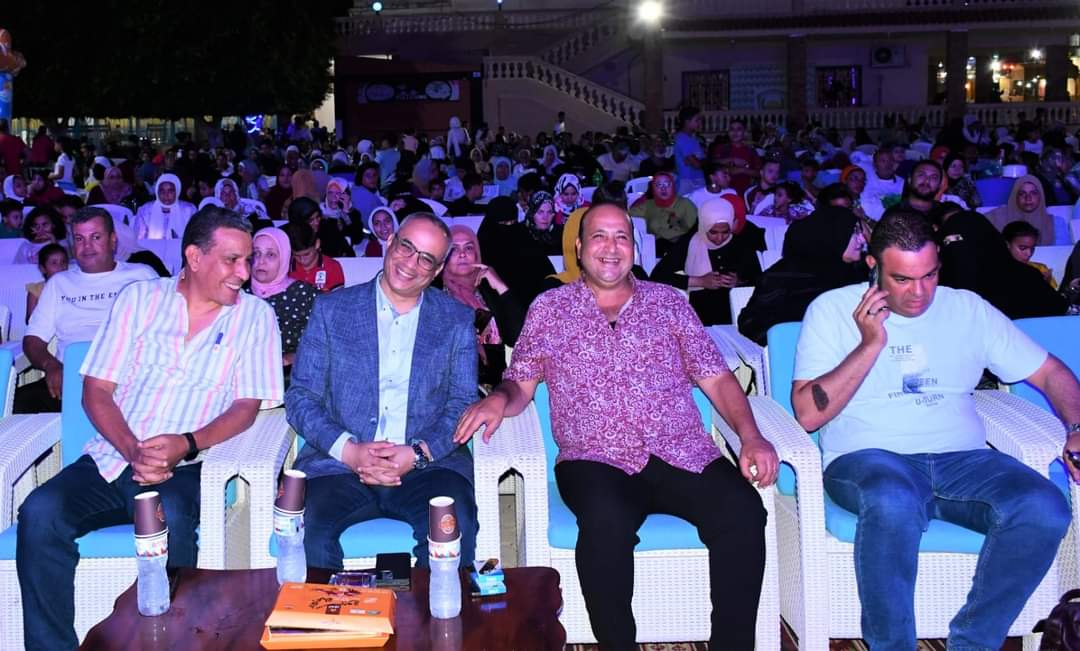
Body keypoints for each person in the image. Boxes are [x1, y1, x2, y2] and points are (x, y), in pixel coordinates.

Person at [453, 203, 778, 649]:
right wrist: (498, 398)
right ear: (579, 248)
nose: (611, 247)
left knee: (744, 512)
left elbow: (717, 378)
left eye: (621, 237)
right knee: (606, 523)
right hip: (594, 458)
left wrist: (751, 436)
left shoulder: (669, 303)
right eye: (599, 237)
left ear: (634, 247)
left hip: (681, 450)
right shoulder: (550, 308)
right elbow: (521, 383)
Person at [790, 210, 1079, 651]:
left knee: (1045, 507)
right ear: (873, 266)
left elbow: (1051, 372)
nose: (919, 292)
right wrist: (871, 343)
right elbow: (808, 415)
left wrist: (1077, 425)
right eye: (902, 279)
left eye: (929, 275)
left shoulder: (967, 309)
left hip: (964, 461)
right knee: (893, 499)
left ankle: (973, 643)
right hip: (869, 460)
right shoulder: (831, 311)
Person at [16, 207, 284, 650]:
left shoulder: (255, 317)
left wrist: (186, 443)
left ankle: (172, 643)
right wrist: (131, 449)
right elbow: (96, 390)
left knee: (170, 516)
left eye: (248, 260)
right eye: (232, 260)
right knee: (39, 512)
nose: (244, 272)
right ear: (194, 257)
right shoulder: (139, 300)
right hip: (112, 456)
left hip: (187, 465)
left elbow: (246, 407)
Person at [287, 213, 480, 569]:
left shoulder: (456, 320)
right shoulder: (332, 309)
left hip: (428, 466)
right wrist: (349, 451)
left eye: (426, 259)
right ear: (390, 242)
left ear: (437, 270)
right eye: (406, 247)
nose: (411, 263)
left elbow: (462, 403)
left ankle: (433, 607)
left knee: (455, 527)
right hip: (338, 465)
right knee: (306, 531)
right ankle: (325, 608)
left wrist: (418, 454)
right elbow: (301, 398)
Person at [16, 207, 159, 414]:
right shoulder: (59, 283)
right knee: (17, 403)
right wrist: (50, 365)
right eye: (79, 239)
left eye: (96, 237)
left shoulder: (142, 276)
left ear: (113, 240)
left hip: (128, 377)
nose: (87, 246)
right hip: (71, 378)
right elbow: (33, 339)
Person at [737, 206, 868, 345]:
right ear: (832, 236)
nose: (862, 239)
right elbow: (751, 324)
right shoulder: (785, 277)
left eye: (860, 231)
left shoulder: (862, 272)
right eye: (854, 232)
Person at [650, 198, 762, 325]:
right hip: (700, 315)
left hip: (738, 313)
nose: (719, 238)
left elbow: (759, 280)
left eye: (725, 232)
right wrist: (699, 281)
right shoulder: (689, 244)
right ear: (704, 226)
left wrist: (739, 282)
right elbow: (657, 275)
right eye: (713, 232)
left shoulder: (742, 245)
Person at [438, 225, 525, 387]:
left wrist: (500, 286)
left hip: (496, 389)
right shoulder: (433, 294)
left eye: (468, 248)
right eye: (454, 249)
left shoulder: (488, 292)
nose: (462, 254)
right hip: (447, 388)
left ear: (477, 253)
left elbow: (519, 337)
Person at [939, 210, 1065, 318]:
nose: (958, 249)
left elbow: (1058, 314)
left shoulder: (1028, 278)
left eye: (964, 241)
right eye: (947, 242)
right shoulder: (935, 285)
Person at [249, 227, 319, 377]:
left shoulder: (304, 294)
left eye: (270, 255)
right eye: (256, 253)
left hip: (292, 375)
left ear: (284, 257)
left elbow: (323, 342)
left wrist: (294, 357)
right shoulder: (239, 295)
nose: (261, 261)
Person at [477, 195, 555, 305]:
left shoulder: (523, 236)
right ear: (491, 223)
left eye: (513, 222)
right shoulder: (485, 246)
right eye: (504, 224)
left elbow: (547, 274)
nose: (509, 227)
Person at [629, 171, 698, 257]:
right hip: (658, 249)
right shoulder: (648, 205)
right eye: (659, 185)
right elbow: (627, 215)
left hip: (683, 248)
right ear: (653, 188)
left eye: (667, 184)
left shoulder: (685, 204)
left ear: (673, 186)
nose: (663, 188)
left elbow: (695, 229)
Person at [986, 174, 1055, 245]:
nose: (1028, 198)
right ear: (1015, 196)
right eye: (1022, 193)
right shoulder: (996, 217)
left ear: (1041, 196)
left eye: (1033, 193)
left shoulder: (1055, 223)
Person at [285, 220, 345, 293]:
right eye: (296, 255)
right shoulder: (285, 267)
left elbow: (339, 297)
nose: (302, 260)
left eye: (306, 254)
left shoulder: (332, 266)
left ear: (317, 244)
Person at [134, 173, 196, 240]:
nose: (166, 195)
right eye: (162, 191)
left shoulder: (189, 210)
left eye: (170, 191)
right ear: (157, 192)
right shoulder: (145, 210)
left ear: (177, 191)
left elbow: (194, 236)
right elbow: (139, 239)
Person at [710, 118, 761, 196]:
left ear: (744, 132)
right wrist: (732, 160)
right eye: (732, 129)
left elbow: (759, 173)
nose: (735, 132)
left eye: (739, 129)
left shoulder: (751, 151)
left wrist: (742, 170)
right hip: (722, 192)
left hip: (744, 193)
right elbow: (712, 163)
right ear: (728, 132)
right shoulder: (721, 148)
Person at [1003, 220, 1057, 288]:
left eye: (1032, 248)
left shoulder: (1041, 269)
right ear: (1007, 244)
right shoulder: (994, 271)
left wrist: (1046, 285)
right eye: (1023, 248)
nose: (1029, 254)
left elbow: (1054, 293)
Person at [25, 243, 69, 323]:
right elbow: (29, 319)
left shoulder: (73, 285)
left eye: (63, 262)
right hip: (45, 327)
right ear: (42, 269)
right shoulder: (36, 290)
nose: (60, 266)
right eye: (54, 263)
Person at [861, 147, 905, 219]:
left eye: (891, 160)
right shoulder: (865, 181)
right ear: (875, 165)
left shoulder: (903, 184)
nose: (888, 164)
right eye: (883, 161)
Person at [674, 107, 707, 194]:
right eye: (697, 120)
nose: (700, 123)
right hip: (688, 182)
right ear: (687, 122)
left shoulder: (693, 138)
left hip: (696, 180)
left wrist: (700, 161)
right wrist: (701, 161)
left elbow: (700, 160)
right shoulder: (682, 138)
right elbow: (696, 164)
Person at [523, 190, 563, 256]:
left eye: (549, 212)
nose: (545, 217)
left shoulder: (560, 234)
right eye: (540, 212)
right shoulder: (521, 233)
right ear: (532, 214)